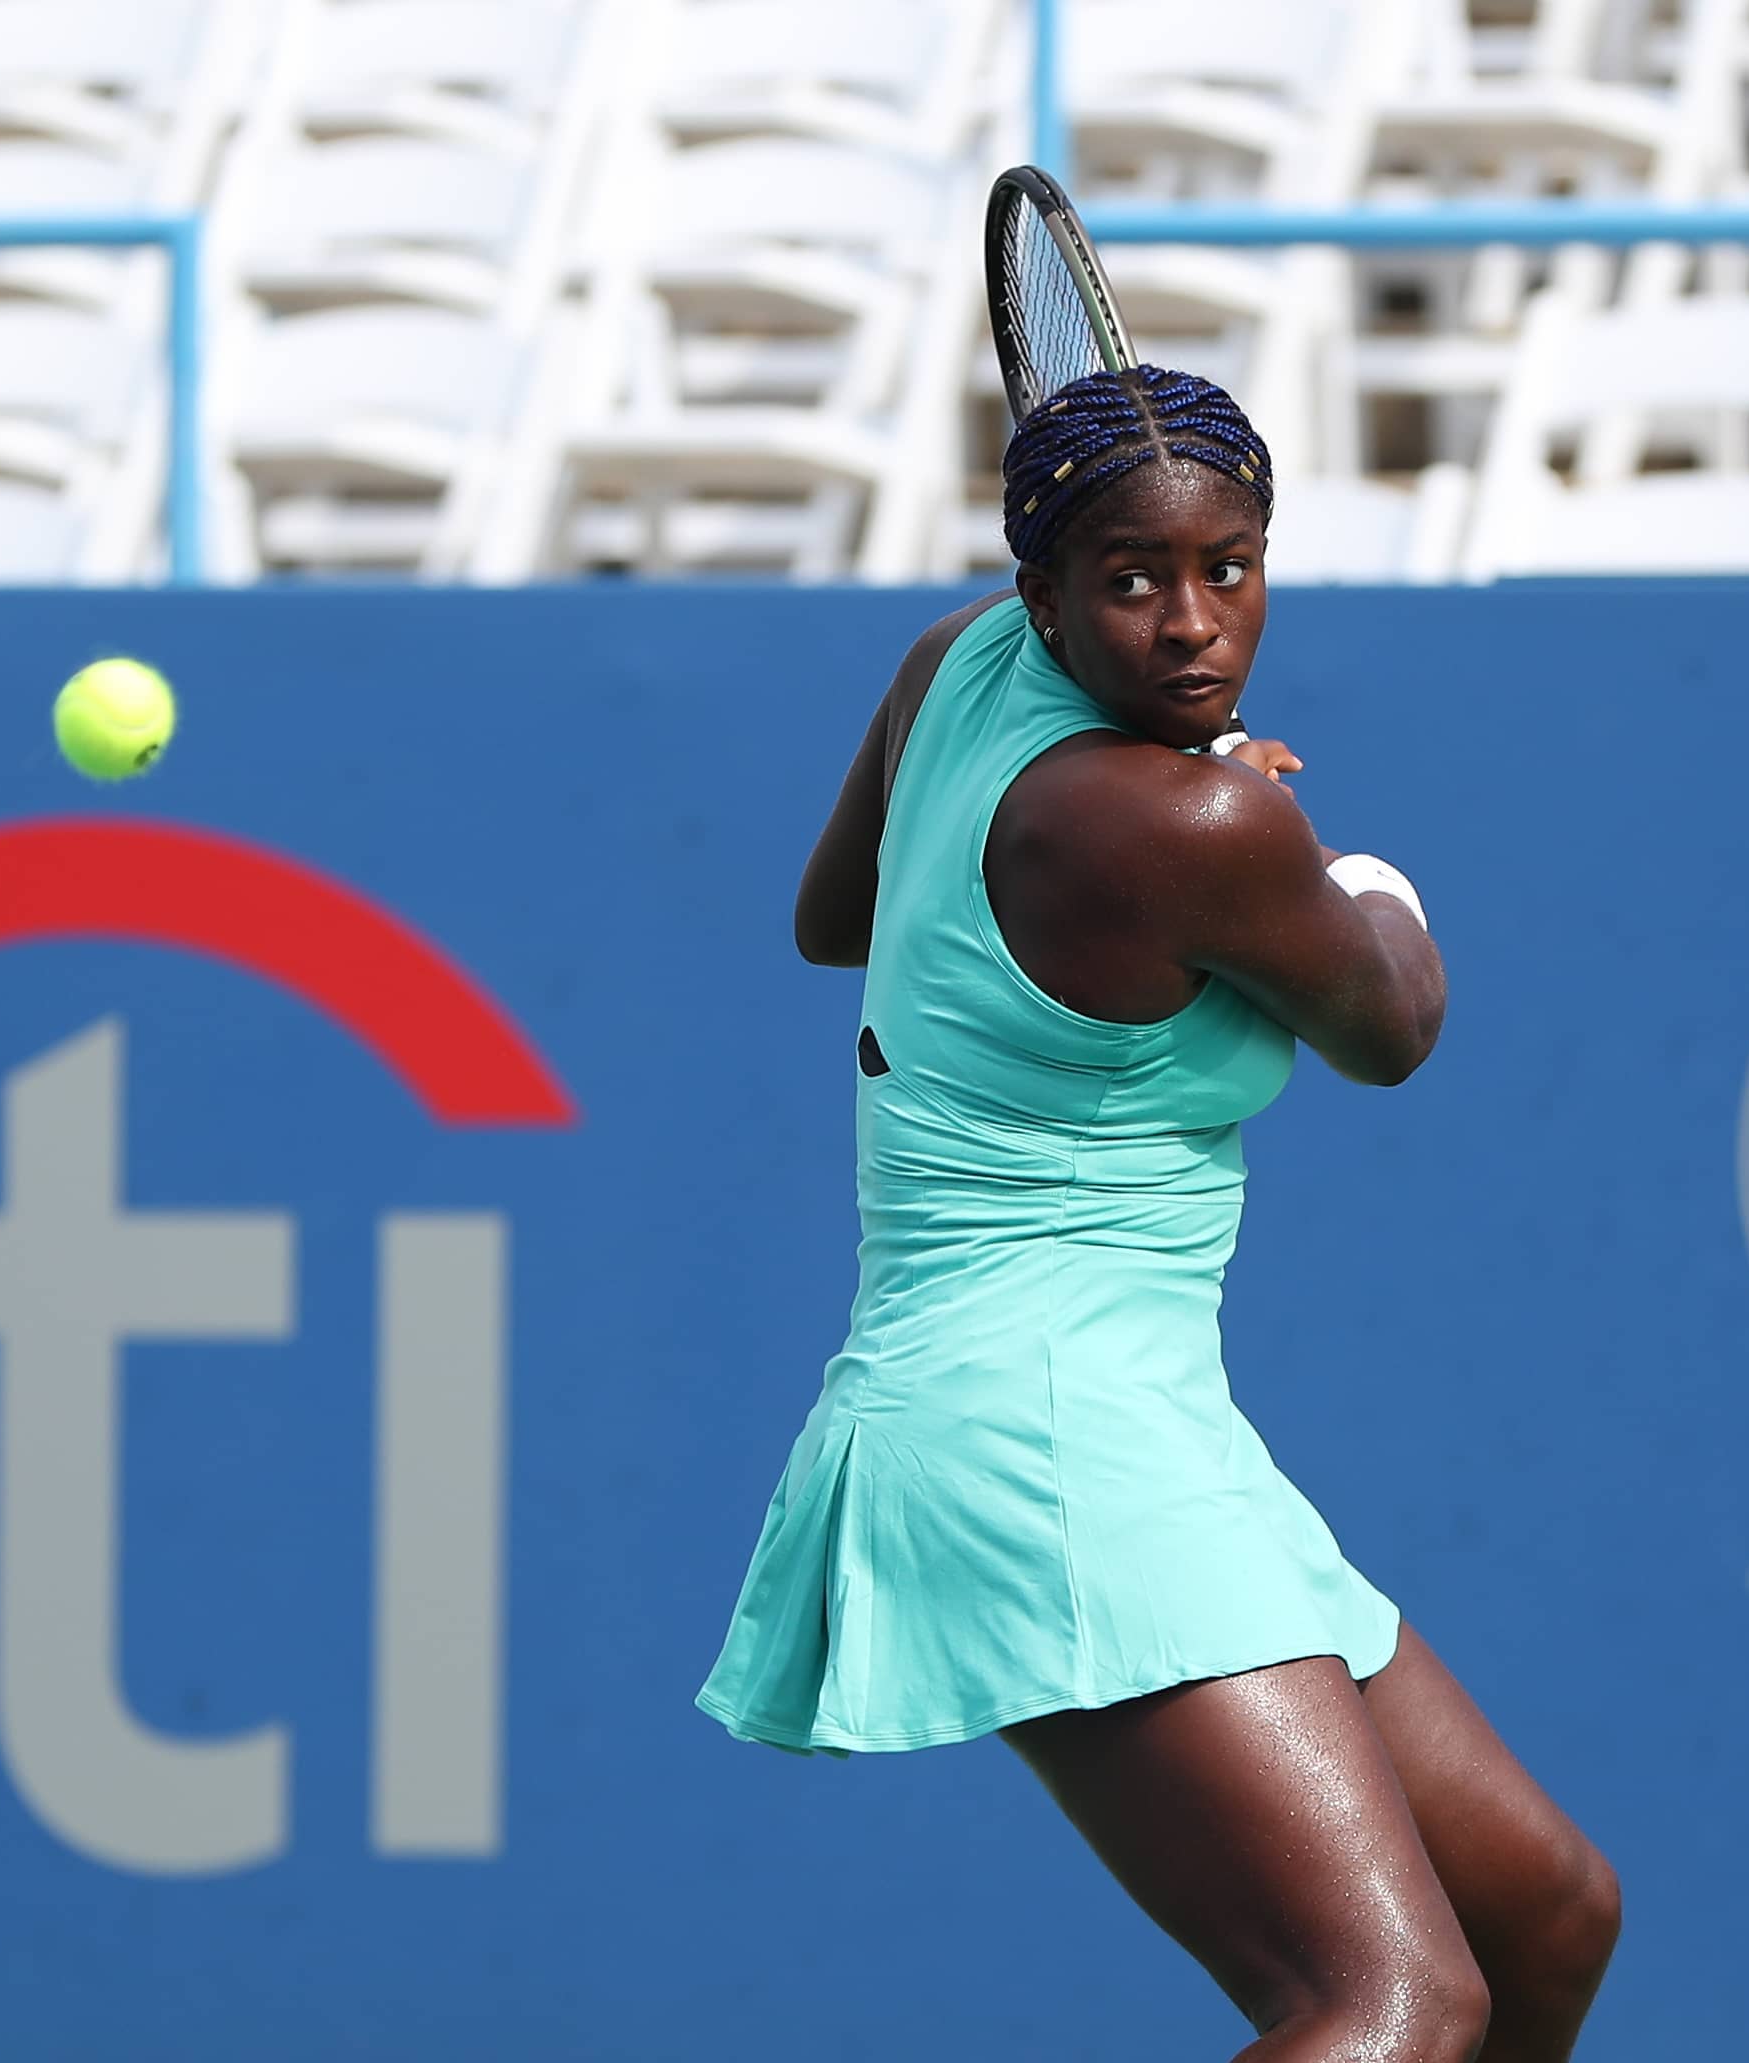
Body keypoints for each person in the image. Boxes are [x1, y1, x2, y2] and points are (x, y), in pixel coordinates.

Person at [694, 366, 1621, 2063]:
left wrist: (1206, 827)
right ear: (1041, 584)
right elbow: (1390, 1026)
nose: (1191, 625)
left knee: (1544, 1914)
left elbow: (844, 915)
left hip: (1127, 1413)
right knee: (1392, 2004)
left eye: (1231, 565)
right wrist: (1321, 856)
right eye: (1129, 581)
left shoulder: (953, 667)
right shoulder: (1189, 814)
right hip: (1039, 1430)